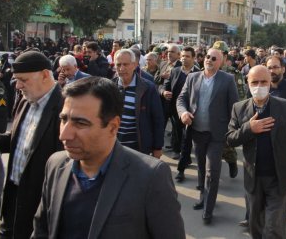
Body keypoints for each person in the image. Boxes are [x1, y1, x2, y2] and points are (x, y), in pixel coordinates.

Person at [32, 77, 185, 238]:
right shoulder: (55, 164)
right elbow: (41, 230)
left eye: (81, 123)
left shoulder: (150, 176)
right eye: (64, 119)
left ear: (113, 127)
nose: (64, 134)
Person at [226, 65, 286, 238]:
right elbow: (230, 139)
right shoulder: (239, 108)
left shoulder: (284, 107)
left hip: (278, 178)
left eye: (263, 82)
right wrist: (249, 128)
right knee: (255, 227)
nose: (259, 86)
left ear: (270, 83)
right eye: (255, 82)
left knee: (274, 228)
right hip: (253, 178)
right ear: (248, 83)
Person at [0, 51, 63, 239]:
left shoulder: (64, 106)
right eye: (16, 80)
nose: (18, 86)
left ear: (44, 74)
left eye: (23, 80)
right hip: (12, 198)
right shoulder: (25, 101)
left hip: (40, 203)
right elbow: (17, 141)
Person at [176, 48, 239, 224]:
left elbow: (233, 106)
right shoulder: (192, 77)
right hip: (197, 132)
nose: (209, 60)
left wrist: (232, 131)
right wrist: (183, 113)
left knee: (212, 171)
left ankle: (208, 210)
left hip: (217, 135)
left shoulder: (227, 80)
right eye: (207, 57)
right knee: (202, 168)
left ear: (221, 62)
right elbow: (181, 99)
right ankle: (203, 196)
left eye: (214, 58)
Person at [113, 49, 164, 158]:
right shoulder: (110, 87)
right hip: (113, 146)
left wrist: (157, 147)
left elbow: (158, 119)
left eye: (125, 64)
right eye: (118, 64)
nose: (121, 68)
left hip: (138, 148)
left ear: (135, 65)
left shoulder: (148, 88)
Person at [160, 46, 199, 176]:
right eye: (182, 56)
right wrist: (164, 92)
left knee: (188, 136)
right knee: (178, 132)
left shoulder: (199, 73)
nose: (184, 58)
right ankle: (181, 154)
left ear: (194, 58)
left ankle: (184, 161)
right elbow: (165, 85)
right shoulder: (175, 71)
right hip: (176, 109)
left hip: (193, 111)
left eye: (187, 56)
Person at [212, 40, 245, 179]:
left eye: (220, 54)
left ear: (225, 57)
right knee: (212, 150)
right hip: (209, 117)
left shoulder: (234, 74)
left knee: (227, 147)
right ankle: (210, 178)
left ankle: (232, 162)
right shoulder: (205, 72)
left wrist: (236, 119)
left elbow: (241, 97)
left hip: (227, 117)